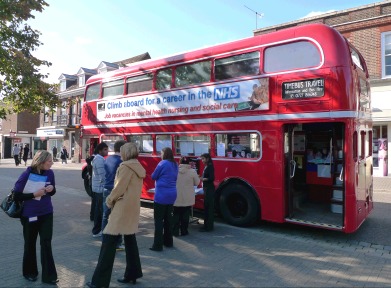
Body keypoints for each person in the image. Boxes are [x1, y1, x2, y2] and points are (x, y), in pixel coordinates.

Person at [86, 143, 146, 288]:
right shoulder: (138, 166)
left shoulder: (125, 167)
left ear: (125, 153)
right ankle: (133, 273)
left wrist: (109, 201)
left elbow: (118, 188)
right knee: (130, 241)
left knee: (107, 243)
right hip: (133, 207)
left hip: (122, 207)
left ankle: (99, 282)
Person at [13, 150, 58, 285]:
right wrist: (34, 194)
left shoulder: (50, 173)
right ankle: (30, 272)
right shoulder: (27, 174)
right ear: (41, 161)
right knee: (30, 244)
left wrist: (52, 188)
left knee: (46, 243)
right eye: (49, 161)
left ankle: (49, 275)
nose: (52, 163)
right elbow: (17, 195)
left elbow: (53, 191)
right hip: (30, 215)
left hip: (46, 213)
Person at [149, 147, 178, 252]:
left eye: (161, 153)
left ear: (164, 154)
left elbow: (153, 176)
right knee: (168, 220)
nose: (160, 155)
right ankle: (168, 242)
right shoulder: (175, 164)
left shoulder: (162, 163)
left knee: (158, 221)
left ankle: (157, 245)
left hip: (161, 195)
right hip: (172, 195)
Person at [102, 139, 126, 250]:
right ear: (121, 149)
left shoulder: (108, 159)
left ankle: (104, 239)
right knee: (117, 216)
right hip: (116, 191)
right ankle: (118, 243)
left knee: (105, 215)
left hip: (106, 188)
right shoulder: (121, 162)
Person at [173, 157, 200, 237]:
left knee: (176, 214)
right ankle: (184, 231)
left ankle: (175, 232)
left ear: (179, 162)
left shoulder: (175, 170)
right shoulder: (192, 171)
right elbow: (197, 183)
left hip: (176, 196)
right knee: (185, 214)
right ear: (189, 163)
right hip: (187, 197)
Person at [91, 142, 109, 238]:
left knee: (99, 210)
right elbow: (103, 176)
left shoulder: (98, 159)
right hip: (100, 188)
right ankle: (97, 230)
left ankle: (96, 230)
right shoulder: (99, 160)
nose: (107, 151)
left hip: (98, 188)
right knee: (100, 211)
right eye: (105, 149)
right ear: (100, 150)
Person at [200, 153, 215, 232]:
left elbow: (212, 178)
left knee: (208, 208)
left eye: (203, 159)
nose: (202, 160)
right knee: (206, 207)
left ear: (207, 159)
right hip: (206, 189)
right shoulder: (207, 166)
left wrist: (203, 179)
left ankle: (208, 227)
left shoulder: (210, 167)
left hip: (209, 189)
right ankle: (206, 225)